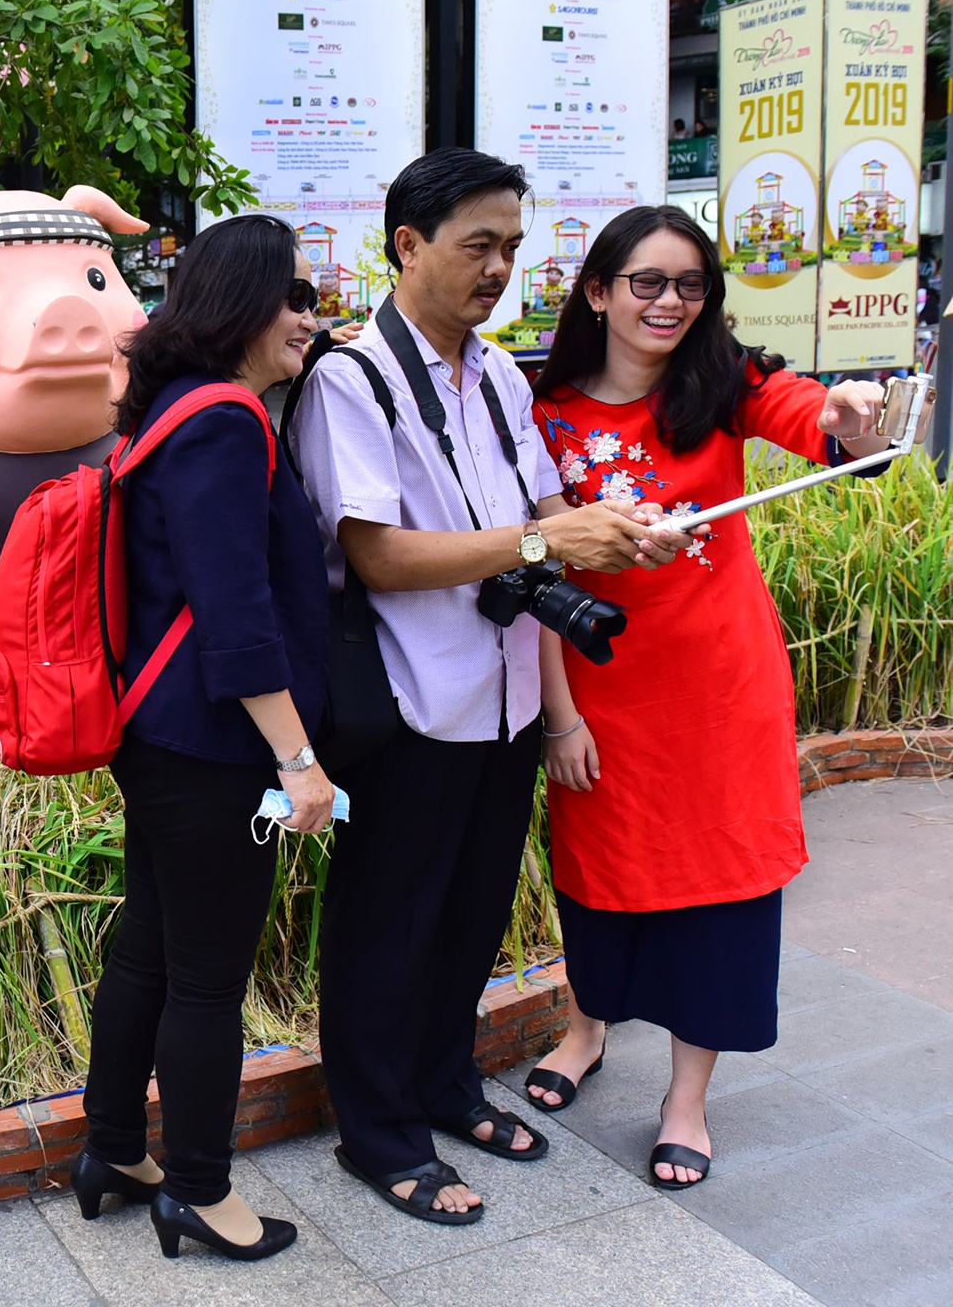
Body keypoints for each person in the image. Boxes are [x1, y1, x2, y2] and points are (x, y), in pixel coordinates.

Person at [291, 149, 698, 1224]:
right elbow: (378, 555)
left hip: (510, 695)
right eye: (479, 245)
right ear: (408, 244)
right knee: (389, 924)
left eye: (513, 247)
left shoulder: (500, 372)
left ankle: (445, 1086)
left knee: (470, 918)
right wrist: (538, 534)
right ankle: (377, 1134)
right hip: (414, 704)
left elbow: (549, 509)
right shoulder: (352, 379)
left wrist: (618, 532)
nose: (500, 268)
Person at [521, 205, 889, 1190]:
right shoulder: (542, 411)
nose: (669, 302)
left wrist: (840, 416)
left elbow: (806, 413)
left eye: (690, 284)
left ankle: (687, 1099)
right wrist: (560, 713)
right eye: (647, 281)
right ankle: (583, 1026)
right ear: (598, 290)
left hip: (721, 692)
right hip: (601, 691)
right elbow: (540, 575)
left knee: (721, 893)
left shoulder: (727, 387)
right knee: (596, 880)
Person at [75, 215, 331, 1263]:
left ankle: (114, 1149)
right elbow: (237, 616)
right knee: (207, 976)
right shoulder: (224, 420)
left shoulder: (168, 410)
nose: (313, 319)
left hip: (162, 733)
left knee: (151, 942)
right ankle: (199, 1188)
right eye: (299, 297)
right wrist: (300, 760)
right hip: (217, 746)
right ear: (243, 301)